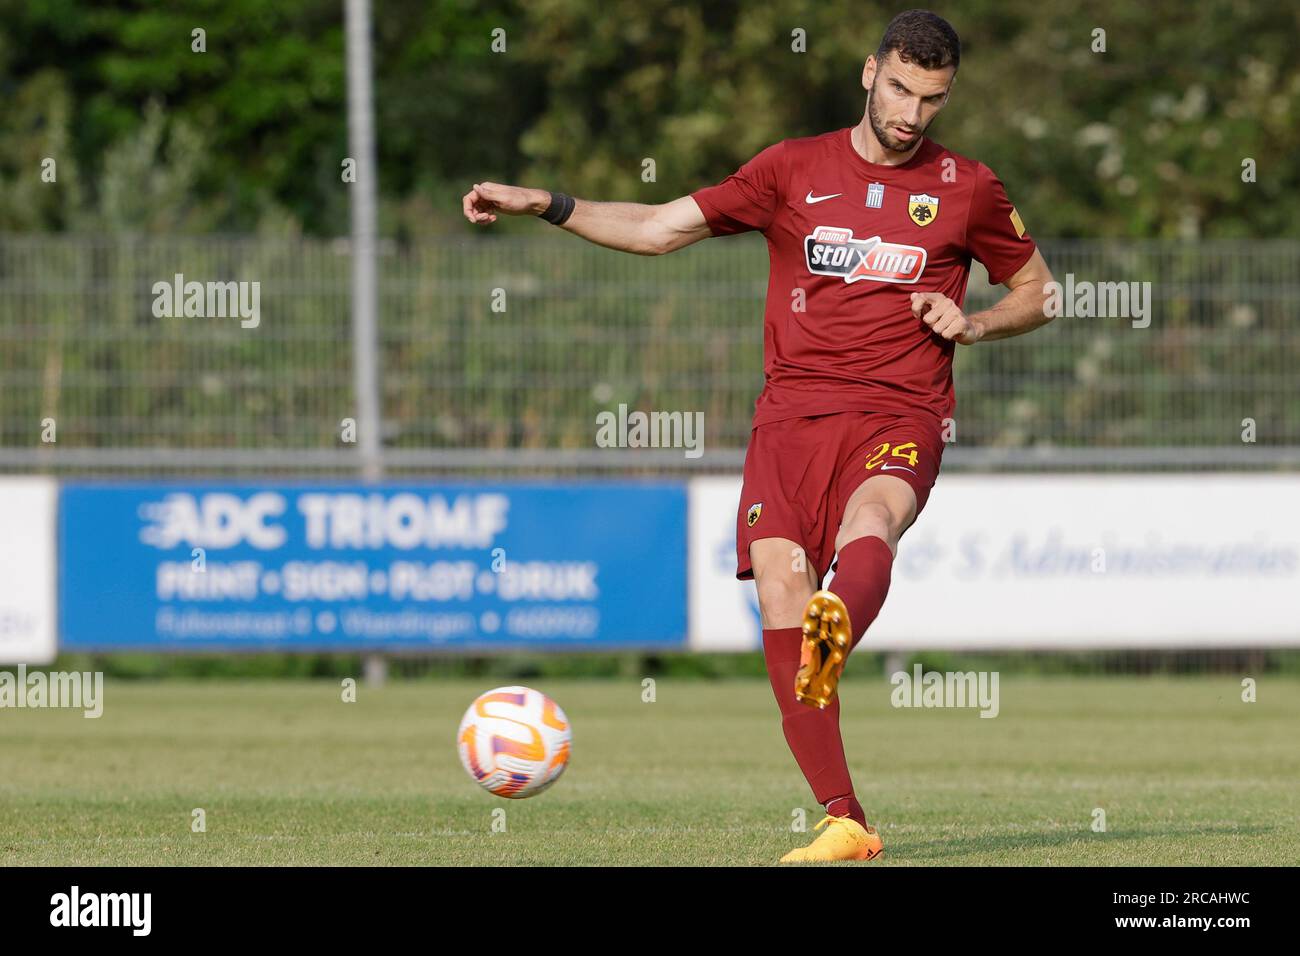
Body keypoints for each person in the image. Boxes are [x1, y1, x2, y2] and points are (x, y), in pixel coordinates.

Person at [462, 9, 1055, 863]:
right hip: (790, 417)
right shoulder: (792, 169)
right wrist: (543, 203)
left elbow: (1041, 289)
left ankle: (830, 639)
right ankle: (846, 820)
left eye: (933, 99)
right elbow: (661, 228)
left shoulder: (967, 185)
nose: (912, 114)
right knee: (780, 588)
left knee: (871, 524)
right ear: (867, 73)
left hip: (900, 410)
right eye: (899, 90)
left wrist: (977, 323)